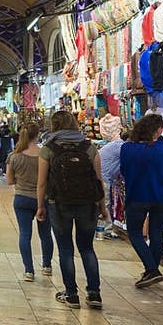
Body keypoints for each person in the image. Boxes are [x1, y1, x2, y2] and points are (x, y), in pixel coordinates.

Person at [37, 110, 106, 309]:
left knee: (65, 249)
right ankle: (94, 293)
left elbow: (42, 183)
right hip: (88, 204)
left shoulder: (48, 149)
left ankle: (71, 294)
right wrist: (102, 207)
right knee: (87, 248)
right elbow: (99, 180)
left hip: (59, 204)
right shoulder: (89, 148)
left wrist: (40, 206)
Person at [119, 114, 163, 287]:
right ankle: (151, 271)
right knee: (156, 233)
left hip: (137, 195)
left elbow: (123, 171)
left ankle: (151, 270)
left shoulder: (127, 148)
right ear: (158, 130)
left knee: (135, 233)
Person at [6, 122, 53, 281]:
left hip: (22, 198)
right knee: (45, 234)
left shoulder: (14, 156)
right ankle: (47, 266)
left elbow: (9, 181)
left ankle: (29, 270)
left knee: (25, 234)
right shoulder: (45, 154)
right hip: (43, 199)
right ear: (38, 134)